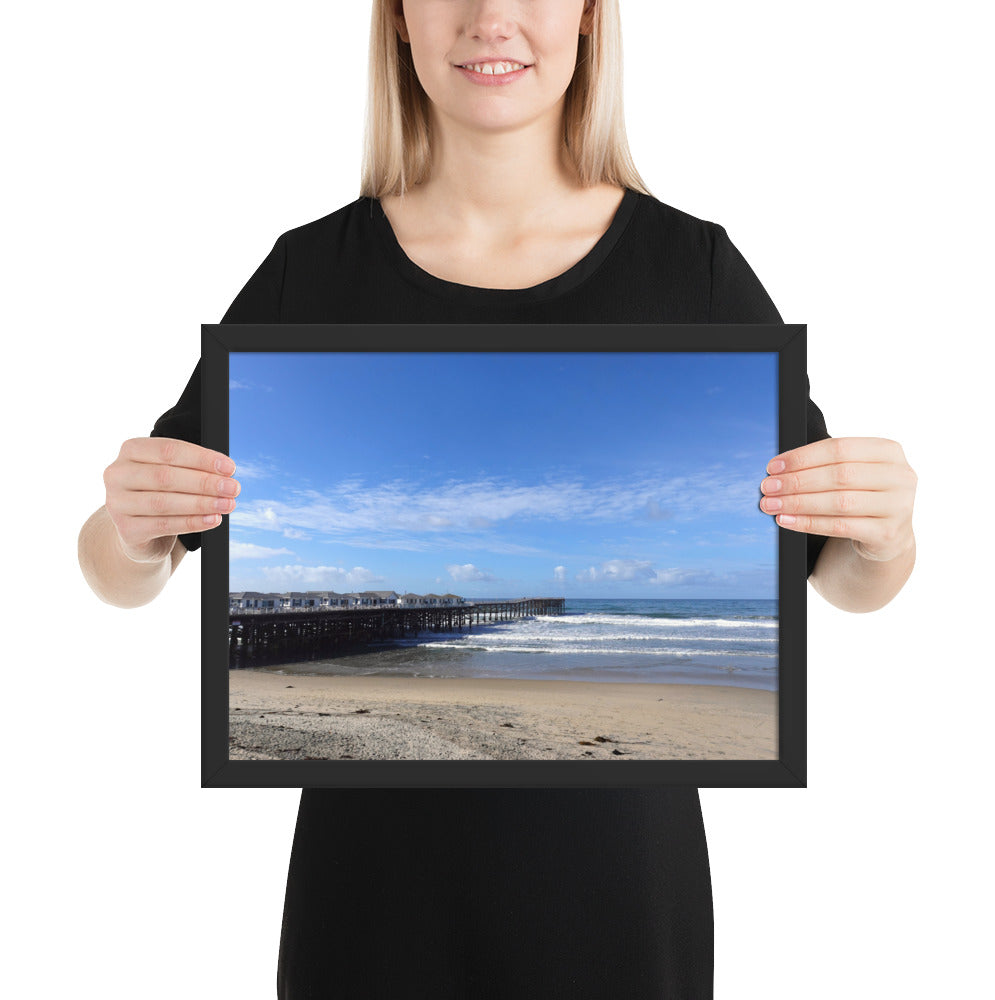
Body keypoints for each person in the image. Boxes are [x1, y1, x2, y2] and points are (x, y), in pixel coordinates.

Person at [77, 1, 917, 996]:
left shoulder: (692, 270)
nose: (491, 18)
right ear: (396, 19)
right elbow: (121, 569)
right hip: (370, 880)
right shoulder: (310, 272)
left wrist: (883, 532)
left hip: (619, 880)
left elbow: (843, 579)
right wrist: (131, 531)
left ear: (591, 18)